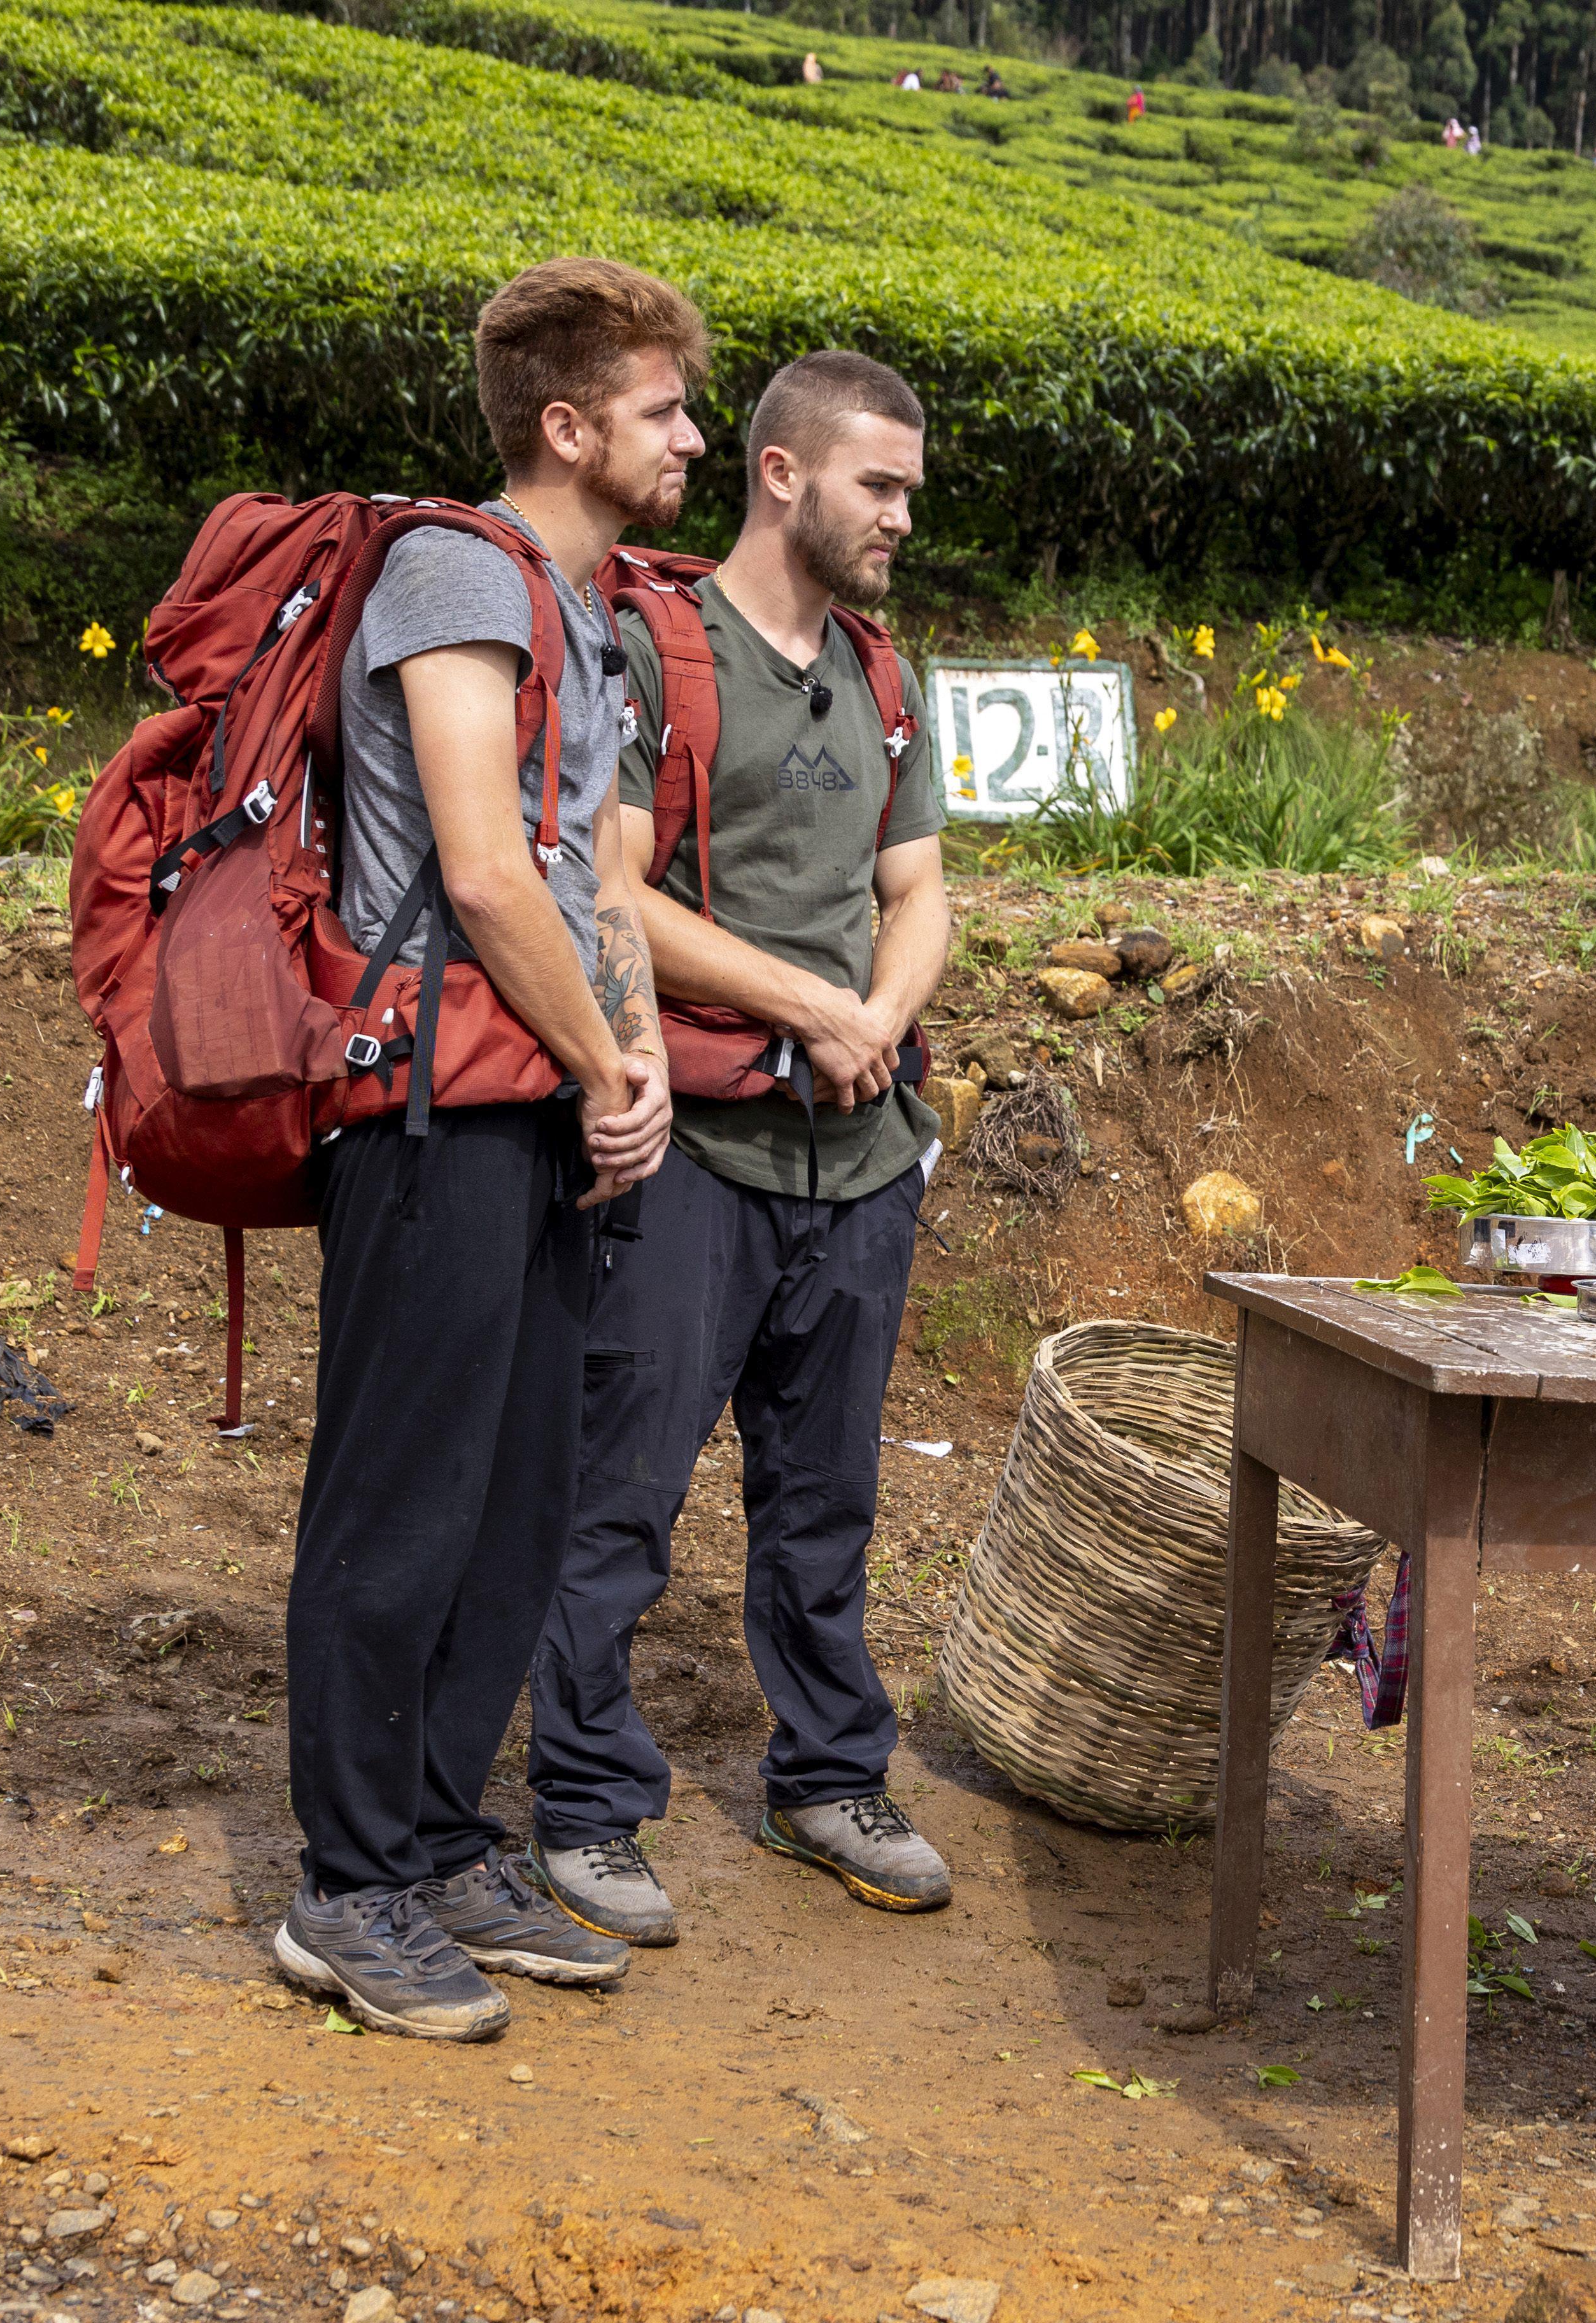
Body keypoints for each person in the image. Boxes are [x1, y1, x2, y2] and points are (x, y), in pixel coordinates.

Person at [270, 257, 694, 2041]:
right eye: (666, 408)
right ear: (568, 423)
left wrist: (635, 1064)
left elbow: (598, 876)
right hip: (430, 1112)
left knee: (517, 1504)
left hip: (537, 1113)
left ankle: (445, 1836)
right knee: (402, 1500)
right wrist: (606, 1064)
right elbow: (478, 865)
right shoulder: (452, 572)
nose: (695, 437)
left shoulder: (594, 610)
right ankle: (347, 1888)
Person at [526, 352, 957, 1945]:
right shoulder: (659, 649)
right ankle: (584, 1802)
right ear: (785, 476)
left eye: (908, 488)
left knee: (827, 1495)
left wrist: (872, 1024)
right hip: (696, 1148)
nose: (903, 516)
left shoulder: (885, 676)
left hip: (854, 1153)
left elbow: (919, 892)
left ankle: (828, 1774)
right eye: (880, 485)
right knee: (618, 1497)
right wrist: (811, 1006)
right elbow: (610, 889)